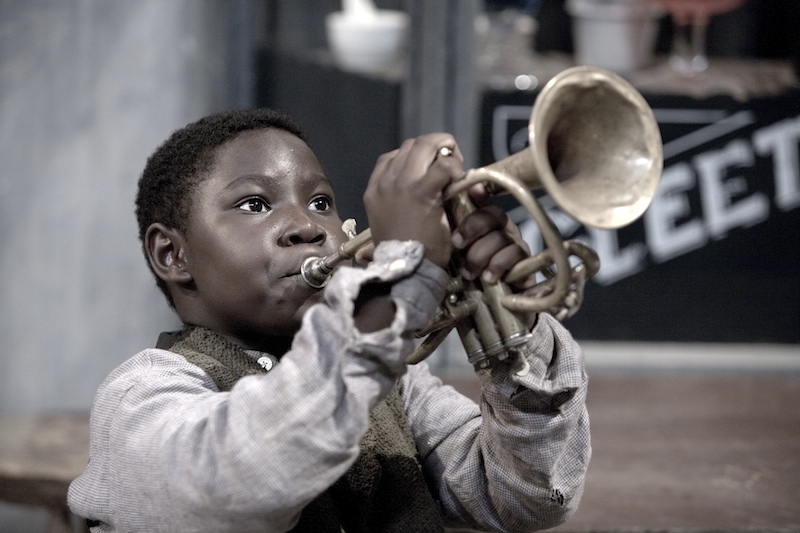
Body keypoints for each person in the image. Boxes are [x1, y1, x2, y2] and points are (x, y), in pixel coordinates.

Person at [67, 108, 591, 532]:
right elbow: (236, 483)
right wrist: (399, 284)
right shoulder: (141, 391)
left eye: (320, 202)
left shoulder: (397, 384)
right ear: (172, 254)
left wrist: (511, 324)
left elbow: (528, 498)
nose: (305, 226)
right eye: (254, 204)